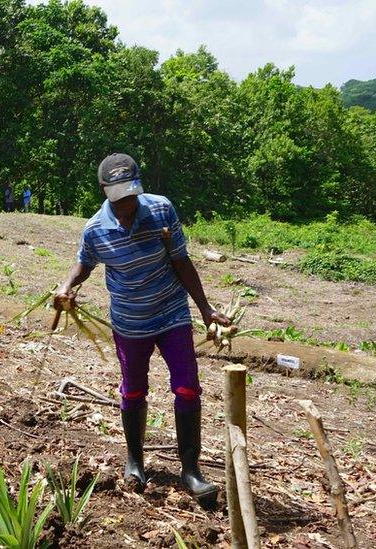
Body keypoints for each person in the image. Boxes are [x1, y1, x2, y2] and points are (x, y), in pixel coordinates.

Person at [53, 153, 231, 507]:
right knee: (133, 390)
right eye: (119, 198)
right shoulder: (95, 230)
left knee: (187, 387)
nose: (127, 206)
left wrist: (206, 308)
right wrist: (67, 286)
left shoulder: (163, 210)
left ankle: (191, 470)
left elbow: (181, 261)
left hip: (171, 313)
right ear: (105, 192)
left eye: (131, 196)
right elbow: (83, 263)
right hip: (130, 322)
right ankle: (135, 461)